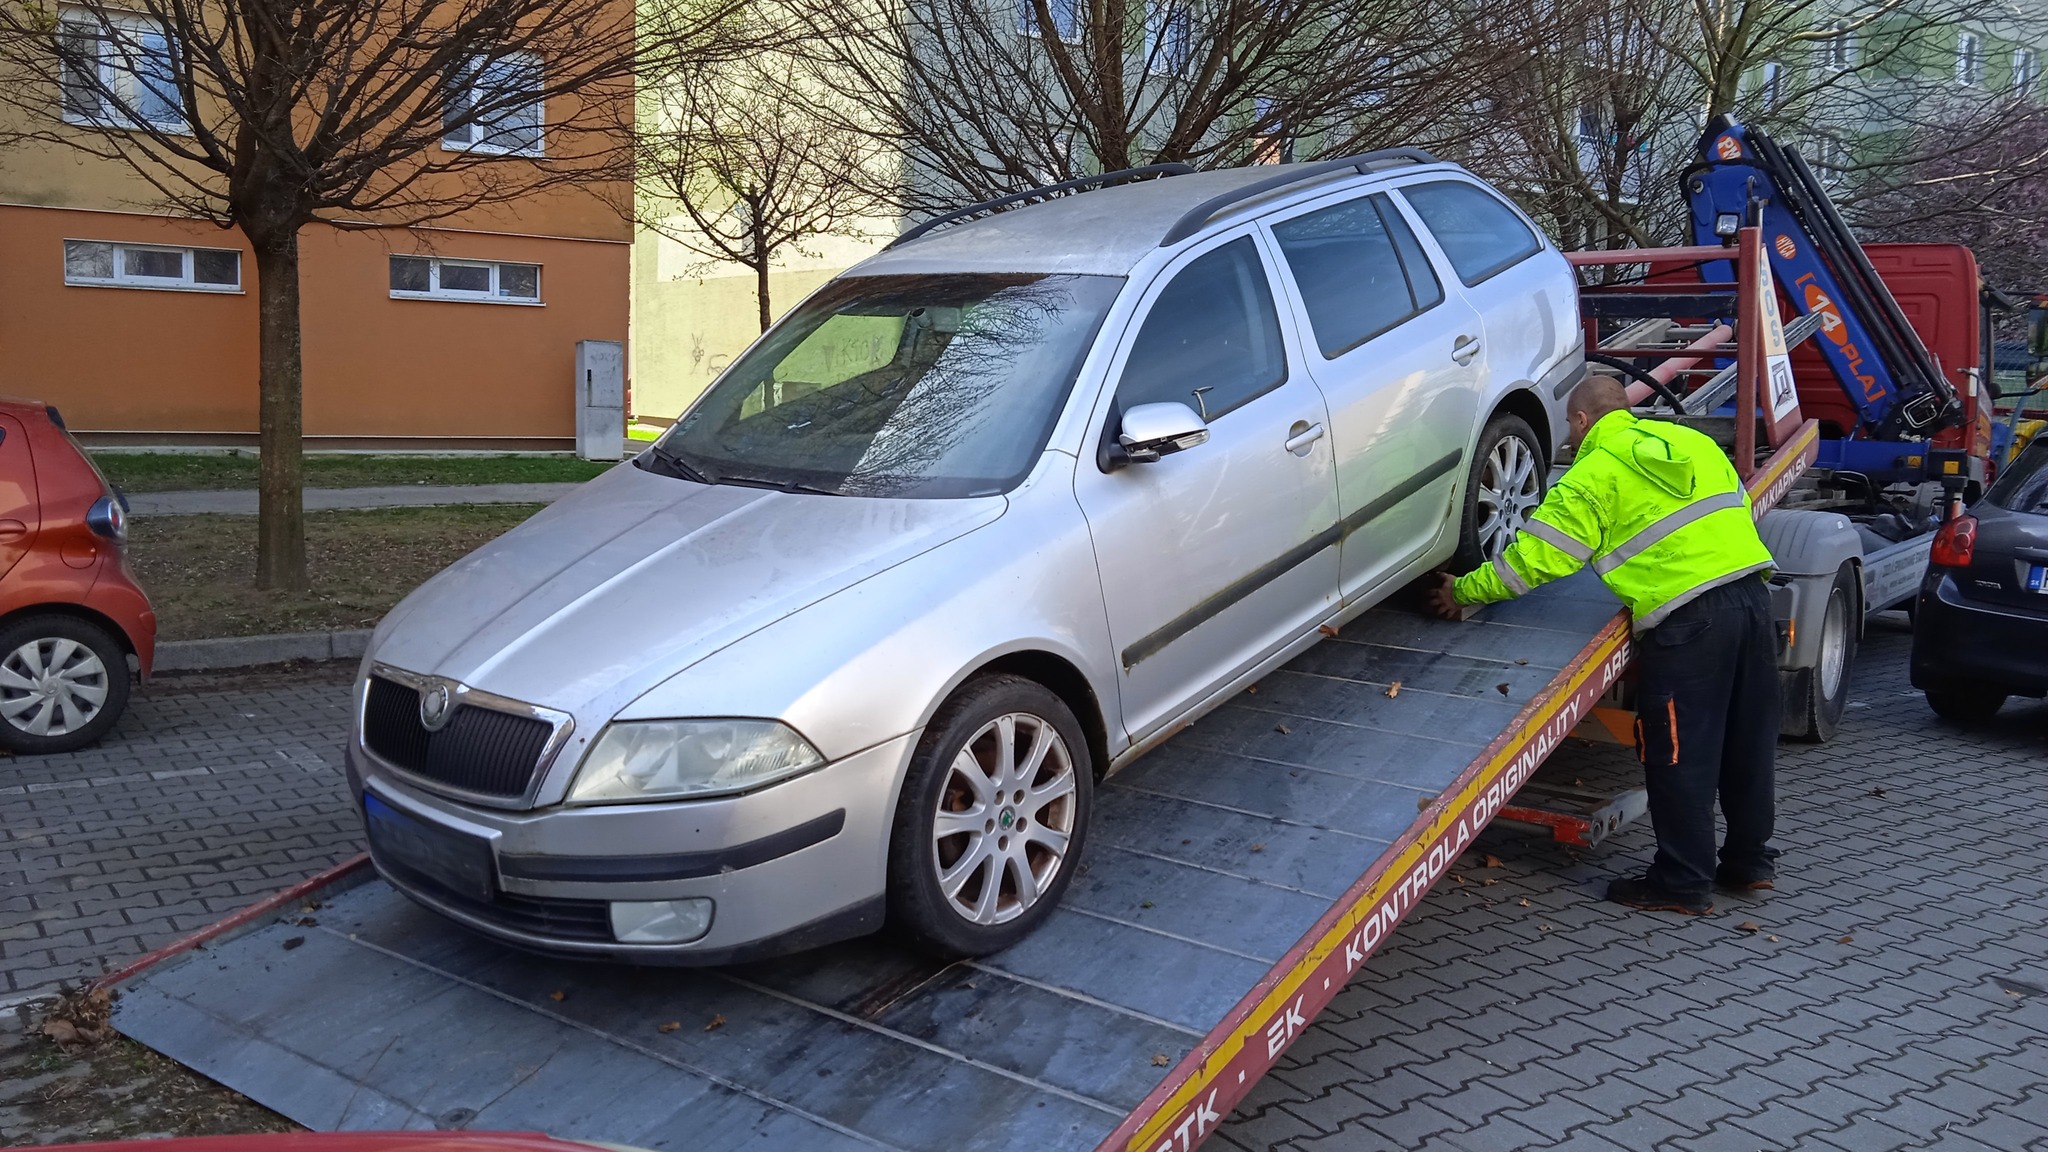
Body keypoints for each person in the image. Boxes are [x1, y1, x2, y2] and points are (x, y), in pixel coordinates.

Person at [1427, 376, 1781, 915]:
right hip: (1754, 601)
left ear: (1581, 421)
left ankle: (1683, 884)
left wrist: (1466, 591)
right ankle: (1750, 863)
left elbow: (1536, 560)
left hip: (1689, 623)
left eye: (1570, 426)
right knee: (1747, 743)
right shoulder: (1695, 445)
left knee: (1679, 755)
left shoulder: (1591, 474)